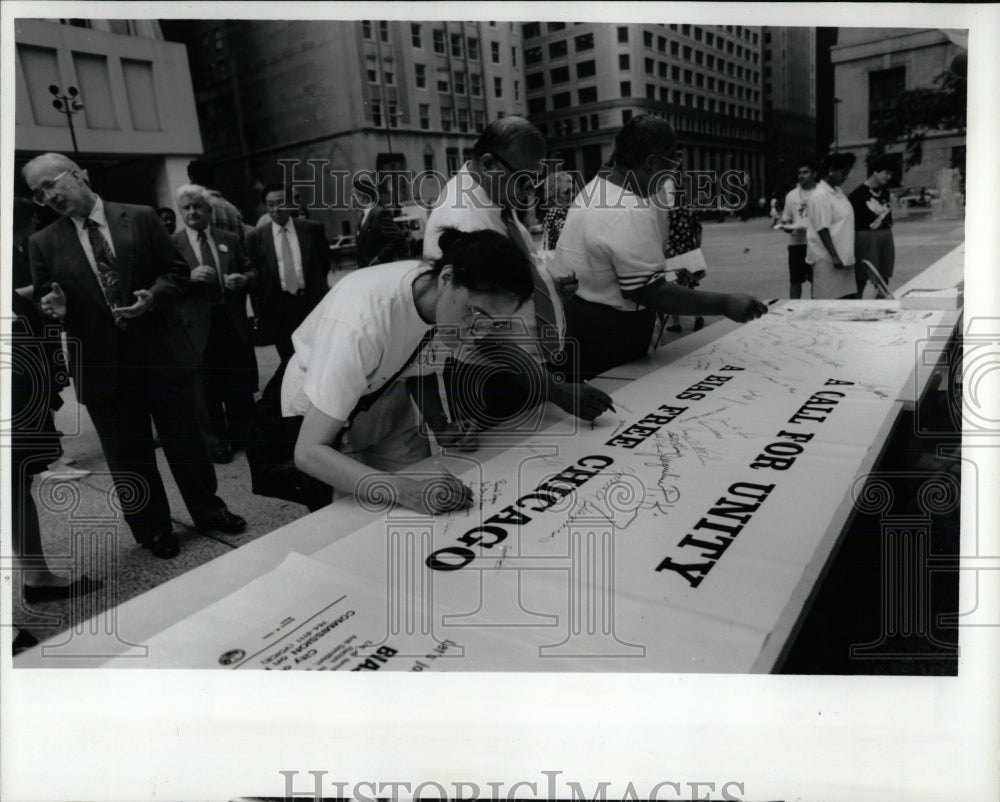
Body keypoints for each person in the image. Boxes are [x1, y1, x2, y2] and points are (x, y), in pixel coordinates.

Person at [23, 153, 246, 560]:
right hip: (102, 365)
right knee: (128, 456)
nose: (48, 196)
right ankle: (152, 529)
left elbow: (176, 272)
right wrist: (55, 306)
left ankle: (209, 510)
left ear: (78, 176)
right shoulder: (42, 243)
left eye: (51, 184)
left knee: (187, 443)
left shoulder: (140, 217)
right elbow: (45, 298)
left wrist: (153, 297)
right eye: (39, 194)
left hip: (161, 352)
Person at [281, 229, 534, 514]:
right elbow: (308, 452)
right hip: (321, 407)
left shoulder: (445, 306)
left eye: (493, 324)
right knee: (351, 520)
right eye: (476, 314)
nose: (477, 334)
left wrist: (441, 426)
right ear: (447, 278)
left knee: (423, 496)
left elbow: (420, 366)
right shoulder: (362, 319)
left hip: (385, 390)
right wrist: (407, 491)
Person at [423, 116, 612, 437]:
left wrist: (548, 289)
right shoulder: (463, 219)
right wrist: (557, 390)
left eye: (535, 181)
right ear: (488, 164)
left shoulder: (493, 199)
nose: (530, 192)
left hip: (523, 370)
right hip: (492, 378)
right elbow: (477, 331)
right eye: (524, 180)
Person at [552, 114, 767, 380]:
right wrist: (724, 303)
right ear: (651, 163)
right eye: (672, 163)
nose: (674, 171)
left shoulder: (596, 188)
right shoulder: (629, 208)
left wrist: (671, 274)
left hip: (582, 328)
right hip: (611, 342)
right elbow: (649, 293)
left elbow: (610, 265)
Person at [10, 195, 103, 629]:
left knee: (17, 483)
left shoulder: (14, 259)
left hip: (22, 390)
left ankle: (37, 574)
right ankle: (36, 575)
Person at [174, 184, 259, 463]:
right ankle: (217, 442)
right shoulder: (174, 244)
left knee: (238, 383)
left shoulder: (230, 238)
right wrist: (189, 277)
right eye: (186, 207)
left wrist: (244, 279)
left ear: (209, 210)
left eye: (198, 206)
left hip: (230, 321)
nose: (192, 212)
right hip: (197, 327)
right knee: (206, 389)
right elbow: (166, 283)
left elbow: (253, 270)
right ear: (180, 212)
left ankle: (243, 436)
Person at [247, 182, 331, 365]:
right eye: (270, 204)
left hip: (311, 304)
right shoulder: (256, 237)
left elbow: (325, 263)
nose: (276, 209)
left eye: (281, 202)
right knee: (290, 362)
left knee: (321, 356)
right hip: (280, 309)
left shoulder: (312, 229)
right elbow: (256, 275)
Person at [805, 152, 858, 300]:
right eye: (842, 173)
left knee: (846, 302)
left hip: (844, 257)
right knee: (827, 303)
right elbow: (822, 228)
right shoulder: (820, 195)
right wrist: (834, 256)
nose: (845, 178)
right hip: (828, 259)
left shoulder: (838, 192)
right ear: (831, 170)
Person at [849, 154, 896, 298]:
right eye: (886, 173)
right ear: (875, 171)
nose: (888, 177)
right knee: (863, 274)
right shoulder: (857, 194)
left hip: (885, 235)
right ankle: (857, 302)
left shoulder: (885, 192)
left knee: (884, 273)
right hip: (865, 236)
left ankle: (881, 300)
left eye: (891, 174)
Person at [778, 160, 819, 299]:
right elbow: (786, 217)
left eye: (805, 172)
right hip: (797, 244)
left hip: (817, 244)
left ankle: (816, 308)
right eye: (799, 173)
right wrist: (787, 226)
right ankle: (793, 308)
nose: (801, 175)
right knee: (795, 281)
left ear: (814, 174)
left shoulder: (822, 193)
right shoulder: (792, 195)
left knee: (817, 281)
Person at [354, 173, 408, 267]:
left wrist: (380, 258)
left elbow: (398, 237)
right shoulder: (363, 216)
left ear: (361, 197)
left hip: (379, 269)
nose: (351, 201)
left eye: (353, 197)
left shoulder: (380, 214)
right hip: (366, 271)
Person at [540, 172, 578, 252]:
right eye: (566, 192)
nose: (573, 194)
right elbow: (567, 234)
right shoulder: (554, 212)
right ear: (554, 196)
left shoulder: (567, 212)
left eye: (573, 190)